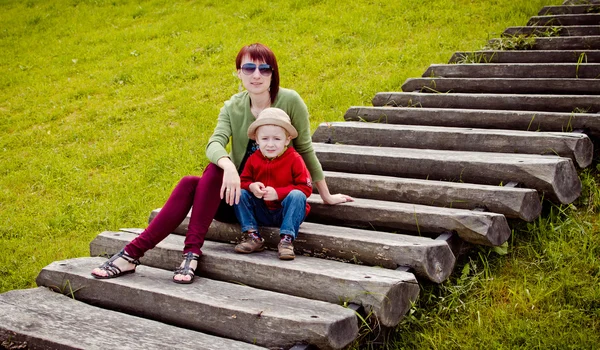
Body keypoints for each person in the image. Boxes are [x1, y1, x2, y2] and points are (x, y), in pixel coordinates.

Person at [90, 42, 353, 284]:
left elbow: (305, 148)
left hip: (279, 203)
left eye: (264, 68)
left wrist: (326, 196)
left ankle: (153, 254)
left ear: (273, 73)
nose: (256, 74)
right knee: (202, 175)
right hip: (242, 200)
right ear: (239, 73)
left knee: (192, 184)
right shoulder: (232, 107)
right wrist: (229, 166)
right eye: (249, 67)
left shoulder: (290, 101)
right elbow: (214, 143)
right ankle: (153, 254)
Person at [234, 108, 312, 260]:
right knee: (240, 193)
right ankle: (253, 236)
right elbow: (243, 181)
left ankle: (286, 240)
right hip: (262, 211)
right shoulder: (253, 159)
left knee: (297, 195)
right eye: (265, 139)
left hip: (286, 212)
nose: (270, 144)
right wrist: (251, 186)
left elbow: (306, 188)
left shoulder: (294, 159)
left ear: (287, 140)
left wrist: (279, 193)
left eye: (277, 139)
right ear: (256, 139)